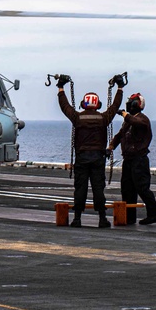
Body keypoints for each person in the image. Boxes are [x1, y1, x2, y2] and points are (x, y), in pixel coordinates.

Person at [56, 74, 124, 228]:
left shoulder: (78, 118)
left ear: (83, 104)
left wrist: (61, 88)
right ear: (98, 105)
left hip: (82, 158)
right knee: (98, 188)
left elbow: (64, 106)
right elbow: (114, 106)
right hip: (98, 158)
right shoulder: (104, 118)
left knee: (80, 188)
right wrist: (120, 88)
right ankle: (102, 219)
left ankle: (77, 219)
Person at [109, 92, 156, 225]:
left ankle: (154, 214)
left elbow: (135, 122)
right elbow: (120, 135)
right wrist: (110, 148)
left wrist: (124, 115)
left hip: (139, 159)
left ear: (136, 104)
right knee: (127, 189)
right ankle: (129, 216)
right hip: (128, 159)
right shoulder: (128, 121)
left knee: (142, 188)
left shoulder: (143, 119)